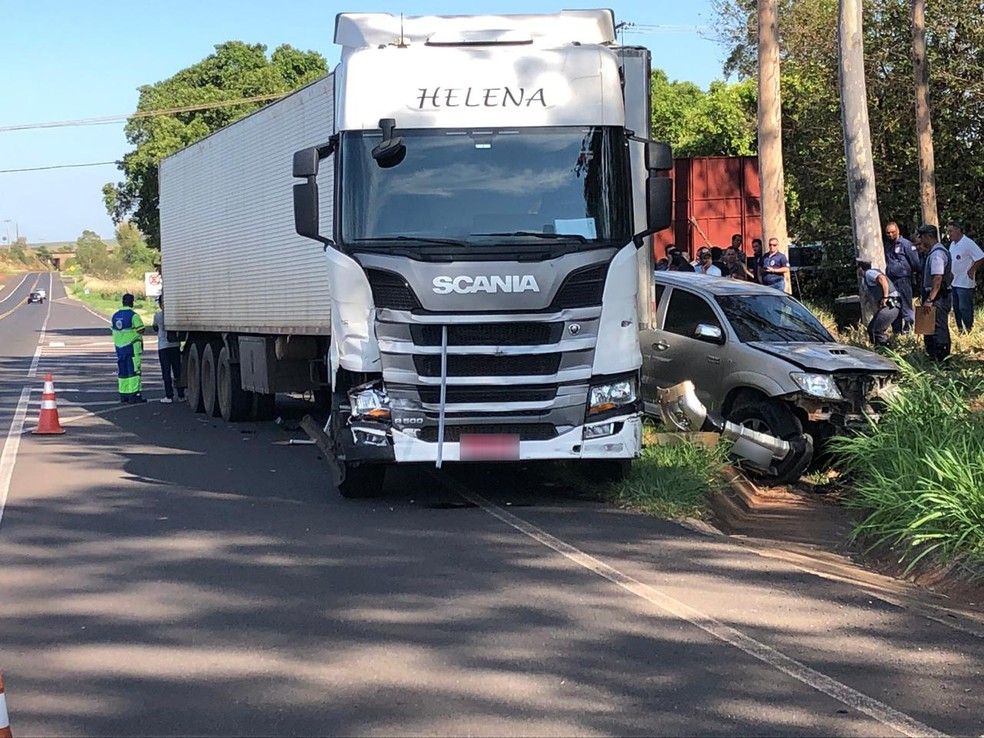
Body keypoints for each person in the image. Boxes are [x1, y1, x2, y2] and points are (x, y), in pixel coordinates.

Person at [915, 224, 953, 362]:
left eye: (922, 237)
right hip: (935, 294)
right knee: (928, 327)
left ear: (928, 236)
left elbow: (937, 278)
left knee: (938, 327)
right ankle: (932, 356)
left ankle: (942, 359)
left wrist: (930, 299)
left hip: (938, 296)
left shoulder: (937, 254)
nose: (921, 241)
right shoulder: (933, 252)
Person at [946, 221, 984, 333]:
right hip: (954, 281)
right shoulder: (952, 244)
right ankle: (960, 329)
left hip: (965, 282)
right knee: (956, 308)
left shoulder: (968, 243)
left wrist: (972, 269)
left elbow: (981, 256)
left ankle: (968, 328)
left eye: (951, 231)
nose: (949, 234)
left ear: (958, 230)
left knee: (964, 307)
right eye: (948, 231)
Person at [883, 221, 920, 332]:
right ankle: (896, 330)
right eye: (888, 233)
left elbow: (915, 262)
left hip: (903, 279)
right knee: (893, 305)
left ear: (898, 231)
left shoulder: (906, 244)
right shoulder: (887, 245)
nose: (890, 235)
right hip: (891, 281)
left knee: (906, 305)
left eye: (892, 232)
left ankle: (909, 328)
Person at [111, 293, 146, 403]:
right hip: (132, 348)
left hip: (119, 349)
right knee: (134, 372)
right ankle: (134, 395)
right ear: (132, 302)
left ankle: (124, 394)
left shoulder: (115, 316)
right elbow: (141, 329)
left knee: (123, 372)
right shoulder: (133, 316)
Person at [857, 259, 900, 347]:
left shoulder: (869, 273)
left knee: (875, 330)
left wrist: (885, 297)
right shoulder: (868, 276)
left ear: (860, 269)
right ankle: (883, 348)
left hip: (891, 303)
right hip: (893, 304)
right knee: (874, 329)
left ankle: (884, 349)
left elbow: (882, 278)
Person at [153, 293, 185, 404]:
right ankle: (181, 394)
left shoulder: (158, 316)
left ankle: (169, 395)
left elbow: (155, 328)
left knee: (166, 371)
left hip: (163, 346)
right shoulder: (174, 315)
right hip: (175, 345)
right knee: (177, 370)